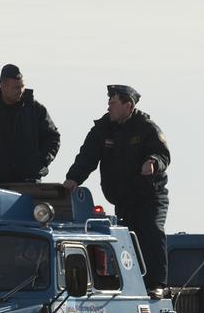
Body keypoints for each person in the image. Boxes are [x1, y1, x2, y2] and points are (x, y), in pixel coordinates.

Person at [63, 85, 170, 296]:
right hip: (124, 197)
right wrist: (73, 178)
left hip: (151, 196)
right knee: (127, 239)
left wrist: (152, 162)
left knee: (151, 230)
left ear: (127, 106)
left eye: (113, 102)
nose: (108, 106)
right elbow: (87, 156)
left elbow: (162, 154)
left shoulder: (146, 128)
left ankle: (158, 284)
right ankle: (134, 285)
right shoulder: (103, 129)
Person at [0, 64, 61, 184]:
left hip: (30, 183)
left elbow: (53, 138)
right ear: (3, 86)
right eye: (16, 87)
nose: (20, 91)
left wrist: (40, 162)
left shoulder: (35, 110)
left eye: (22, 86)